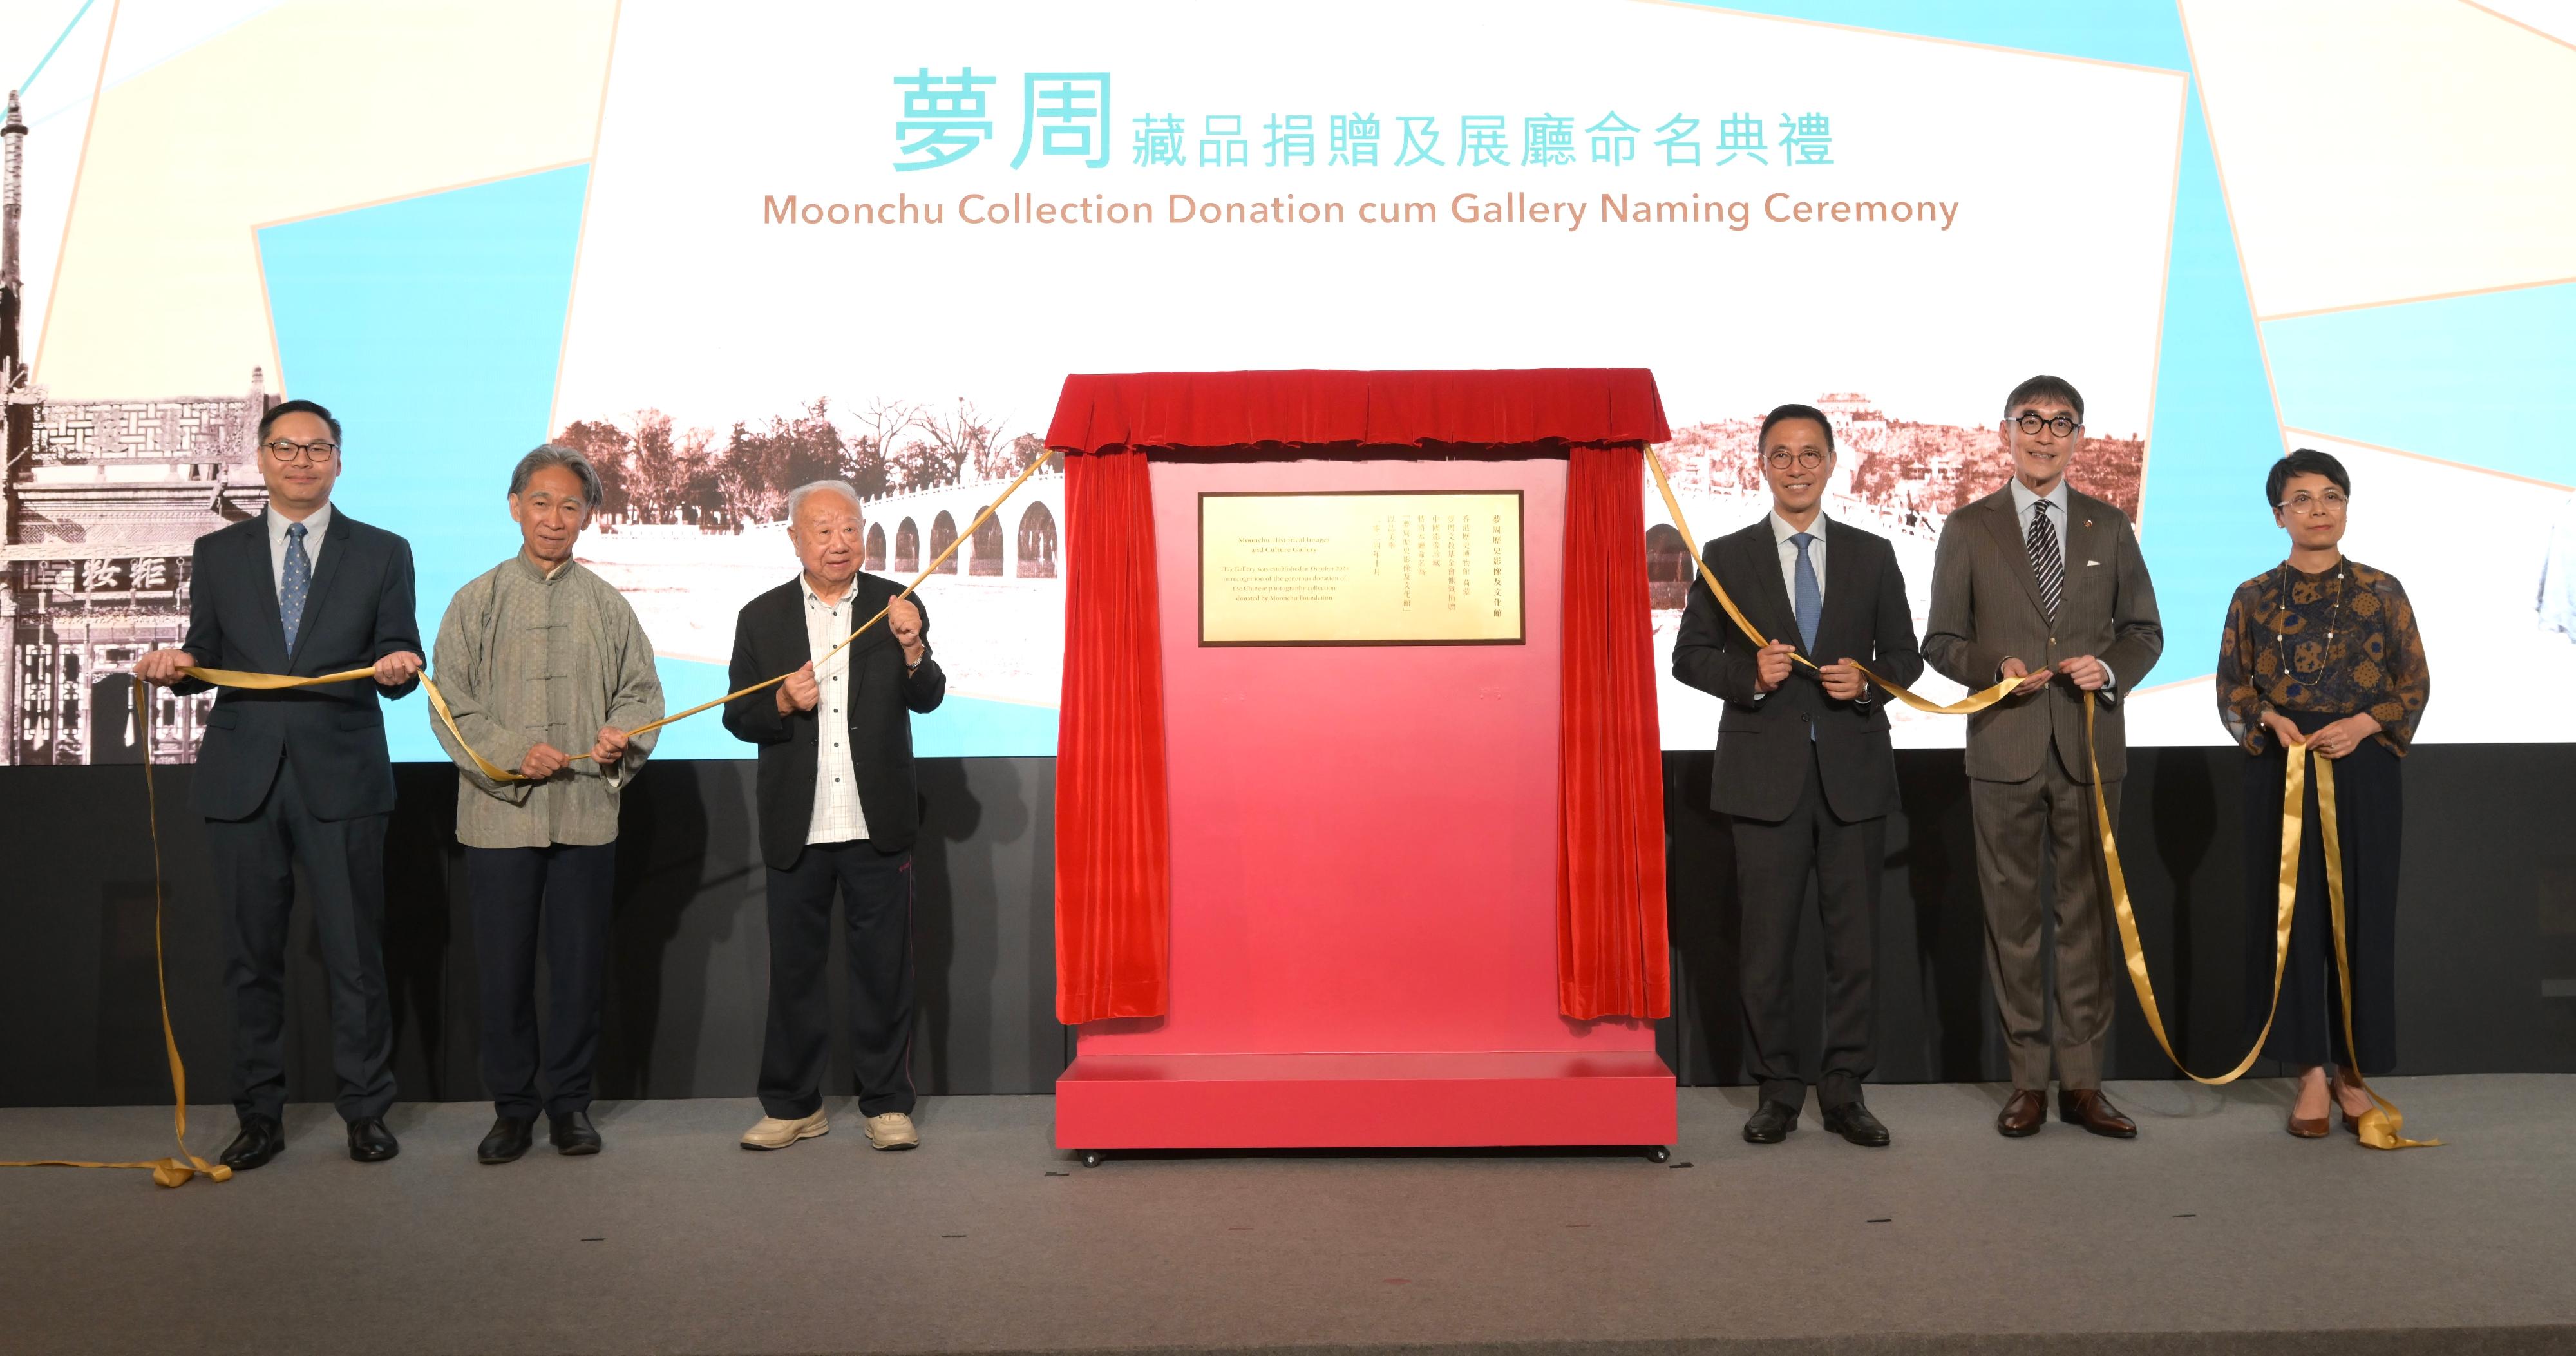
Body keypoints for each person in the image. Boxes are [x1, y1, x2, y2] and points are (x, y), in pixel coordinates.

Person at [133, 399, 424, 1169]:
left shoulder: (384, 551)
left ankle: (366, 1110)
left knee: (356, 953)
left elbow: (398, 648)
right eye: (286, 447)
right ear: (260, 458)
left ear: (338, 461)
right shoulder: (217, 551)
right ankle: (257, 1114)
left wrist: (400, 665)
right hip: (243, 777)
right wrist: (176, 667)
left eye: (318, 447)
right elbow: (203, 652)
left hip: (344, 774)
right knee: (249, 957)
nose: (302, 460)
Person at [1672, 405, 1923, 1147]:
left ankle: (1844, 1088)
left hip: (1852, 776)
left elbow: (1906, 656)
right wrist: (1746, 674)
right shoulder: (1724, 554)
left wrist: (1870, 681)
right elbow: (1688, 656)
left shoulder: (1874, 554)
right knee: (1766, 943)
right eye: (1780, 455)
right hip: (1762, 777)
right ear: (1760, 464)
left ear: (1832, 461)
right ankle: (1777, 1087)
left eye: (1809, 454)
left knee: (1855, 947)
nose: (1796, 467)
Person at [1924, 375, 2162, 1138]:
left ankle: (2084, 1085)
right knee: (2013, 921)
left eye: (2062, 423)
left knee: (2088, 919)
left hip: (2091, 750)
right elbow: (1940, 641)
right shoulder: (1968, 527)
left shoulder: (2109, 526)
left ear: (2079, 439)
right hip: (2005, 751)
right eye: (2031, 420)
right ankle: (2028, 1079)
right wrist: (1992, 667)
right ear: (2006, 430)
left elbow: (2143, 631)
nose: (2045, 434)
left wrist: (2111, 668)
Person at [429, 446, 664, 1164]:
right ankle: (512, 1108)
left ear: (588, 514)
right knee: (502, 970)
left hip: (587, 814)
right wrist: (513, 755)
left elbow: (643, 697)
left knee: (579, 967)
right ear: (514, 506)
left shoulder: (608, 605)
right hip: (498, 818)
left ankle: (569, 1105)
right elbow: (450, 706)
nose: (554, 518)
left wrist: (624, 737)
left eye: (570, 505)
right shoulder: (476, 599)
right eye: (540, 501)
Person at [723, 480, 943, 1152]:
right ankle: (793, 1103)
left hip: (877, 822)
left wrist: (913, 648)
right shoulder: (761, 617)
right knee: (794, 970)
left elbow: (928, 698)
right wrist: (783, 703)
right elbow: (737, 714)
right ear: (794, 538)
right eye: (821, 530)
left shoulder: (893, 604)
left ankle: (885, 1103)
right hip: (800, 824)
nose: (837, 541)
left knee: (883, 970)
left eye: (848, 527)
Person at [2216, 449, 2428, 1137]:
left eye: (2330, 496)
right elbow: (2233, 687)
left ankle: (2352, 1071)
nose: (2317, 509)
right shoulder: (2251, 594)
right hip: (2282, 767)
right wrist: (2269, 719)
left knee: (2362, 912)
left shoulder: (2382, 590)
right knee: (2293, 915)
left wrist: (2366, 723)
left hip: (2362, 765)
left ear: (2345, 507)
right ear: (2278, 514)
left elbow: (2413, 684)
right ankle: (2308, 1071)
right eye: (2301, 499)